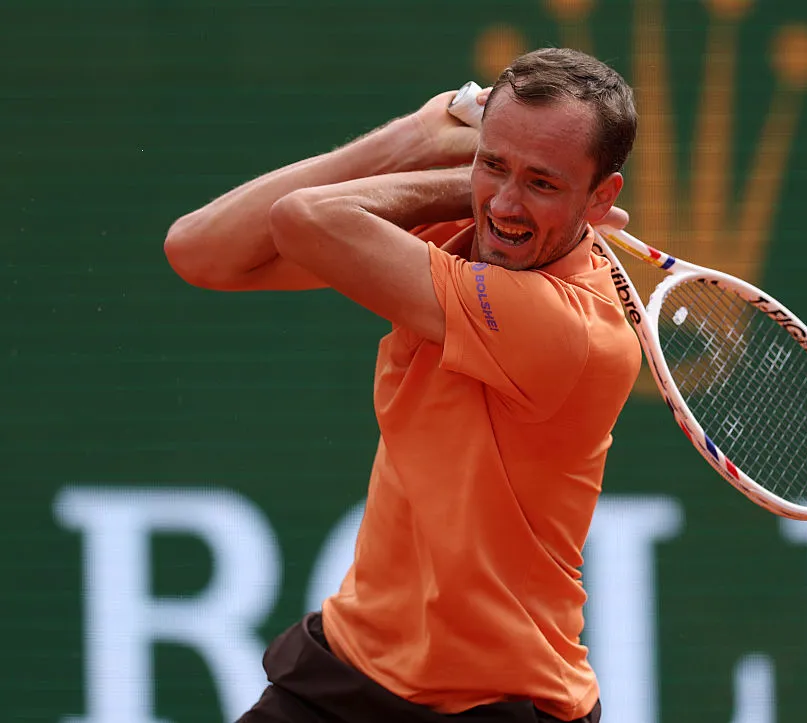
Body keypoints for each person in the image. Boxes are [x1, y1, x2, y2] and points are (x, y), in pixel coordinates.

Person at [164, 47, 641, 723]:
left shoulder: (570, 332)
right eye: (494, 162)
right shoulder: (466, 237)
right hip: (347, 674)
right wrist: (461, 173)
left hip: (501, 704)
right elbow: (199, 250)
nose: (505, 201)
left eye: (542, 182)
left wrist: (426, 150)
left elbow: (306, 218)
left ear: (603, 197)